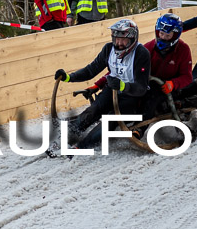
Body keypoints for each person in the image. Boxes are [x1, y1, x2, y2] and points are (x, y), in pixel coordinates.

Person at [54, 19, 150, 149]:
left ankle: (81, 147)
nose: (119, 43)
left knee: (110, 119)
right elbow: (90, 70)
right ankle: (63, 138)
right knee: (94, 110)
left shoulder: (141, 53)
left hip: (132, 97)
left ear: (132, 39)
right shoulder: (108, 49)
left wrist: (123, 86)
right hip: (111, 90)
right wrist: (68, 77)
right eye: (116, 39)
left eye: (123, 40)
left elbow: (141, 88)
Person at [82, 13, 193, 123]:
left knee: (151, 100)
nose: (162, 37)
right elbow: (122, 69)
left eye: (167, 36)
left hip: (166, 89)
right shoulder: (147, 49)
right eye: (161, 34)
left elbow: (187, 77)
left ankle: (139, 129)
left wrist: (173, 84)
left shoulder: (183, 50)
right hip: (144, 85)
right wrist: (99, 84)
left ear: (175, 36)